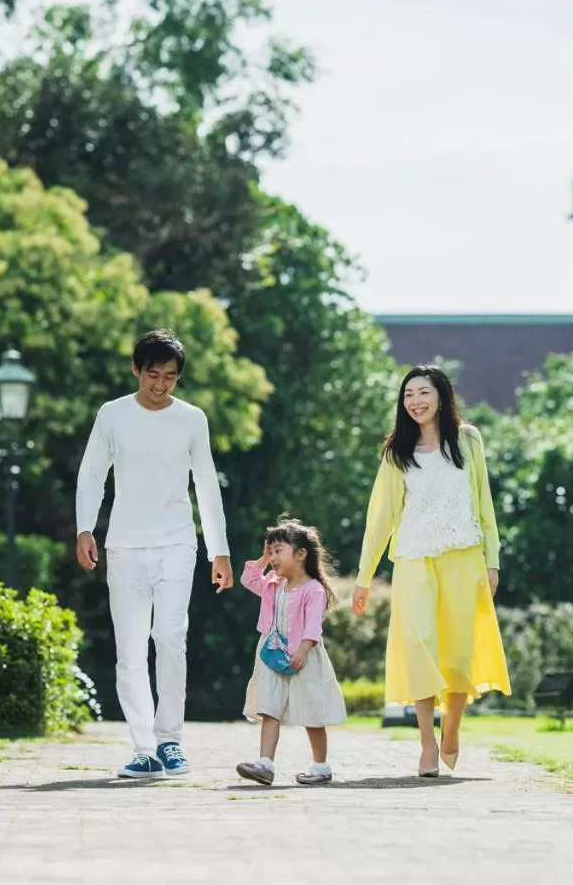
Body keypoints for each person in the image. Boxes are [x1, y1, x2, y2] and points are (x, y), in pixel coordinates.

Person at [75, 330, 234, 779]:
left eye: (170, 377)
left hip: (177, 543)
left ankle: (170, 742)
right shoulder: (112, 415)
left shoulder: (192, 419)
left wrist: (218, 552)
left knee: (169, 636)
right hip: (124, 544)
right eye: (152, 374)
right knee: (129, 648)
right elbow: (91, 475)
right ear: (135, 370)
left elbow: (206, 484)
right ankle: (143, 749)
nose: (160, 384)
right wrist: (84, 527)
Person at [351, 364, 511, 777]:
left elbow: (484, 504)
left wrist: (491, 559)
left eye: (423, 392)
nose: (416, 401)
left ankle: (452, 728)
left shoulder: (468, 440)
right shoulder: (395, 454)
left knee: (459, 652)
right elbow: (380, 518)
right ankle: (426, 742)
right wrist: (364, 577)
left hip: (464, 558)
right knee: (419, 646)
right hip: (413, 562)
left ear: (441, 396)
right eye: (408, 395)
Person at [236, 519, 347, 786]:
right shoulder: (272, 583)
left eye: (278, 551)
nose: (273, 558)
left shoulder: (314, 590)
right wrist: (262, 560)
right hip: (272, 657)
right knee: (269, 708)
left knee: (311, 712)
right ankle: (265, 764)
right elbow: (249, 579)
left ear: (300, 555)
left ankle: (320, 766)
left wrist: (304, 650)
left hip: (303, 659)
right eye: (270, 551)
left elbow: (312, 627)